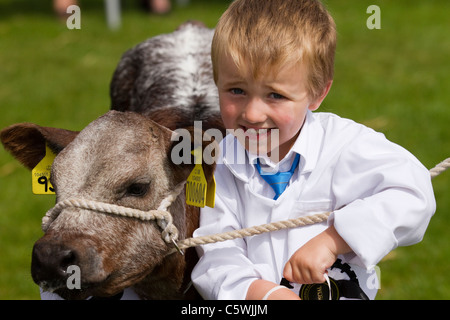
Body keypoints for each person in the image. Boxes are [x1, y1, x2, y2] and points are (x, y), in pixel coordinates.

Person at [191, 0, 436, 300]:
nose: (252, 113)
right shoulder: (216, 164)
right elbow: (216, 251)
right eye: (236, 91)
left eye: (275, 95)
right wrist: (261, 294)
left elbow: (414, 194)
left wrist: (332, 241)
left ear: (317, 93)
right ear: (217, 82)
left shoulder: (344, 145)